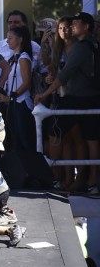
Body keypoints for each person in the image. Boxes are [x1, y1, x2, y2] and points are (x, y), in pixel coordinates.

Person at [34, 11, 100, 193]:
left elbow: (64, 75)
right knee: (90, 139)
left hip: (77, 98)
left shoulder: (82, 47)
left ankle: (57, 176)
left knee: (55, 133)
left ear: (86, 27)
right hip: (90, 98)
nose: (72, 27)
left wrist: (44, 94)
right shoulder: (91, 44)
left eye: (76, 23)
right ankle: (88, 181)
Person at [0, 25, 36, 152]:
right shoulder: (14, 58)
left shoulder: (23, 58)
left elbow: (27, 82)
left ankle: (31, 168)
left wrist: (11, 97)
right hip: (14, 104)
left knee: (24, 140)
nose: (7, 41)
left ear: (20, 39)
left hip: (22, 104)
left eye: (10, 38)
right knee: (15, 140)